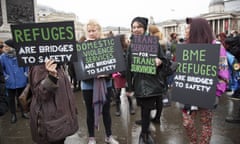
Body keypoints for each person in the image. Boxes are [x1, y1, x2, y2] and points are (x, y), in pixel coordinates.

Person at [182, 17, 229, 144]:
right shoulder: (186, 47)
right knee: (187, 122)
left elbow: (223, 72)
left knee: (206, 123)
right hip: (189, 92)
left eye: (189, 28)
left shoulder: (217, 47)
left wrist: (217, 91)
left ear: (197, 30)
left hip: (209, 92)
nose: (186, 30)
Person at [126, 17, 167, 144]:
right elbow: (128, 67)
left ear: (144, 28)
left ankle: (144, 134)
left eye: (139, 27)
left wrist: (159, 61)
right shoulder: (131, 46)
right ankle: (145, 132)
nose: (136, 29)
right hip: (138, 83)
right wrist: (129, 87)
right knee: (143, 109)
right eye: (134, 27)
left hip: (152, 83)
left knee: (146, 109)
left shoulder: (153, 43)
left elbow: (165, 61)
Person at [81, 19, 119, 144]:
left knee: (107, 111)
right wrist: (91, 75)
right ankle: (91, 137)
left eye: (94, 30)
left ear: (99, 31)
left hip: (105, 84)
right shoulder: (81, 47)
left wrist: (107, 74)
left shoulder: (106, 45)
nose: (91, 33)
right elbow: (77, 70)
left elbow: (114, 66)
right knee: (90, 112)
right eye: (89, 31)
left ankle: (109, 136)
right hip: (88, 86)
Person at [29, 59, 79, 144]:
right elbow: (40, 94)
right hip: (50, 125)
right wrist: (52, 77)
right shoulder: (40, 65)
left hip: (58, 123)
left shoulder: (56, 61)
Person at [0, 39, 29, 123]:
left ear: (12, 47)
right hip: (10, 81)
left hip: (21, 80)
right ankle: (13, 114)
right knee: (11, 98)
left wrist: (25, 74)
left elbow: (26, 66)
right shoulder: (2, 57)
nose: (4, 48)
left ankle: (23, 112)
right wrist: (6, 77)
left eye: (6, 46)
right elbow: (1, 69)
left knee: (21, 97)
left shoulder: (20, 55)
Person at [112, 34, 135, 116]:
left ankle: (131, 107)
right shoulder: (115, 50)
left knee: (128, 92)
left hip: (126, 74)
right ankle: (118, 109)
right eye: (125, 39)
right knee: (117, 93)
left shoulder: (128, 49)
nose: (126, 40)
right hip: (118, 75)